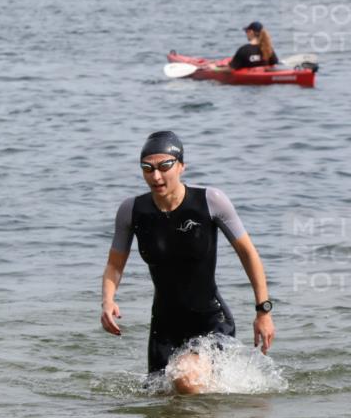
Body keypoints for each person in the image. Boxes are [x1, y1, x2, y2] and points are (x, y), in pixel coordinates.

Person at [100, 131, 275, 394]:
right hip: (164, 328)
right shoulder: (132, 210)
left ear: (181, 166)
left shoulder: (210, 201)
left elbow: (248, 253)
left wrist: (263, 311)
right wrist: (108, 300)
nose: (156, 176)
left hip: (210, 321)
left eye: (164, 166)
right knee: (163, 411)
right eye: (147, 168)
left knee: (186, 379)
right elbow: (115, 264)